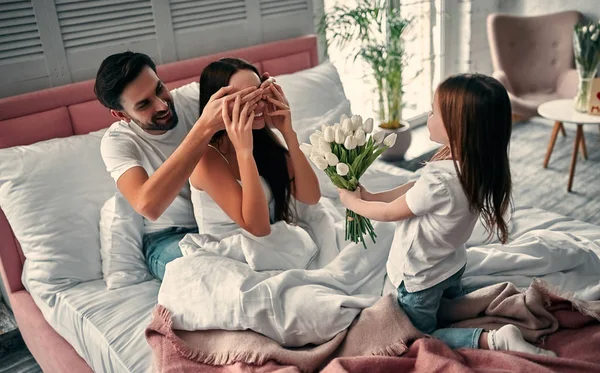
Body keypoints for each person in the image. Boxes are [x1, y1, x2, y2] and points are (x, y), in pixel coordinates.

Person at [338, 73, 556, 356]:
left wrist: (353, 203)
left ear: (458, 127)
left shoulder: (438, 181)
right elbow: (413, 189)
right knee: (444, 308)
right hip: (450, 267)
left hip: (422, 278)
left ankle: (493, 340)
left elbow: (392, 213)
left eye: (432, 111)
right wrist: (371, 196)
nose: (428, 116)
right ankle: (451, 309)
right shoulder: (475, 166)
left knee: (420, 336)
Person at [95, 52, 269, 280]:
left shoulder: (194, 98)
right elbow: (148, 206)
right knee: (217, 278)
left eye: (159, 89)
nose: (161, 105)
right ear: (121, 114)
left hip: (221, 224)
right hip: (169, 237)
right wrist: (204, 128)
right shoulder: (118, 143)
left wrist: (260, 90)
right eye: (144, 104)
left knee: (267, 261)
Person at [189, 58, 320, 237]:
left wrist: (288, 132)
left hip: (270, 245)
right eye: (245, 99)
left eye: (259, 95)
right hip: (228, 251)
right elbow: (259, 228)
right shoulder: (206, 160)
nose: (258, 105)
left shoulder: (260, 137)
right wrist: (244, 153)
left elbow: (310, 197)